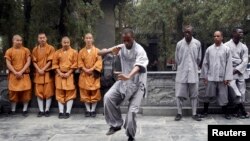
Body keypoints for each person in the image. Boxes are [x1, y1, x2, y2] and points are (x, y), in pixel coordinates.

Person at [98, 28, 148, 141]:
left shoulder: (140, 50)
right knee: (108, 98)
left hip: (138, 84)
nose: (126, 43)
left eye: (128, 40)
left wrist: (129, 75)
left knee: (132, 113)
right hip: (124, 82)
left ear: (133, 39)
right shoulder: (121, 47)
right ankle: (116, 124)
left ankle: (130, 136)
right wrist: (111, 51)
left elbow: (139, 66)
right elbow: (99, 53)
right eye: (124, 40)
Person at [200, 31, 233, 120]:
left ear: (222, 37)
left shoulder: (226, 49)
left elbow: (229, 64)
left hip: (222, 78)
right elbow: (205, 64)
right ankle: (205, 111)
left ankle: (226, 113)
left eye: (218, 36)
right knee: (207, 95)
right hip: (211, 77)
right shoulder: (209, 49)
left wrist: (227, 78)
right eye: (214, 36)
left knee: (223, 96)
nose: (216, 38)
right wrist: (205, 77)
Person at [174, 25, 202, 121]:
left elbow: (198, 59)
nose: (187, 34)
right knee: (179, 94)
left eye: (189, 32)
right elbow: (177, 59)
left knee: (194, 95)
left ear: (192, 33)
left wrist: (193, 66)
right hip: (182, 72)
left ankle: (194, 113)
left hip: (193, 73)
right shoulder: (179, 44)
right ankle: (179, 113)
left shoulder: (197, 44)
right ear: (183, 33)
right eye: (185, 32)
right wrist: (182, 66)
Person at [4, 35, 32, 117]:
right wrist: (15, 72)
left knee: (26, 92)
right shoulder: (9, 51)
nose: (19, 42)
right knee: (13, 93)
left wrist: (21, 72)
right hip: (14, 75)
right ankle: (13, 110)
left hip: (24, 75)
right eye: (17, 40)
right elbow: (8, 63)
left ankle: (25, 109)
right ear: (13, 41)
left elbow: (28, 62)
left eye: (20, 40)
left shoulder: (26, 50)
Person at [225, 28, 249, 118]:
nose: (241, 34)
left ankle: (237, 111)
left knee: (242, 92)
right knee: (235, 92)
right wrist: (231, 68)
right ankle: (242, 111)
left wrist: (237, 69)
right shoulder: (226, 45)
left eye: (242, 32)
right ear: (234, 33)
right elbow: (224, 60)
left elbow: (245, 60)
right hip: (230, 71)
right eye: (240, 32)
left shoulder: (244, 47)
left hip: (240, 72)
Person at [52, 36, 78, 119]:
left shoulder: (74, 52)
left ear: (70, 43)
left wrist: (69, 72)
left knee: (70, 93)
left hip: (69, 75)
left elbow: (75, 64)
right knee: (59, 93)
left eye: (67, 42)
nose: (66, 44)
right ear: (61, 43)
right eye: (64, 42)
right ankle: (60, 112)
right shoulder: (57, 52)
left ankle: (67, 112)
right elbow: (55, 64)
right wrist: (59, 72)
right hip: (59, 75)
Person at [78, 33, 102, 117]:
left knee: (95, 92)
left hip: (93, 74)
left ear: (92, 40)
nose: (88, 40)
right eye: (87, 38)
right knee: (84, 93)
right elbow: (80, 63)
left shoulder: (97, 51)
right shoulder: (81, 51)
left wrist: (92, 69)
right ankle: (88, 110)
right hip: (84, 74)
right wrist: (85, 69)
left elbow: (99, 62)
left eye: (90, 38)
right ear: (84, 39)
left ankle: (93, 110)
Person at [32, 33, 55, 117]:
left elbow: (50, 60)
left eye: (43, 38)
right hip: (38, 73)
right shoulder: (35, 49)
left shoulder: (51, 48)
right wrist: (39, 69)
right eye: (40, 38)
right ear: (38, 39)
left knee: (48, 92)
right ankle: (41, 110)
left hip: (47, 73)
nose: (42, 39)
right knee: (39, 92)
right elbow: (34, 61)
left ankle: (47, 110)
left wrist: (43, 69)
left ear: (46, 38)